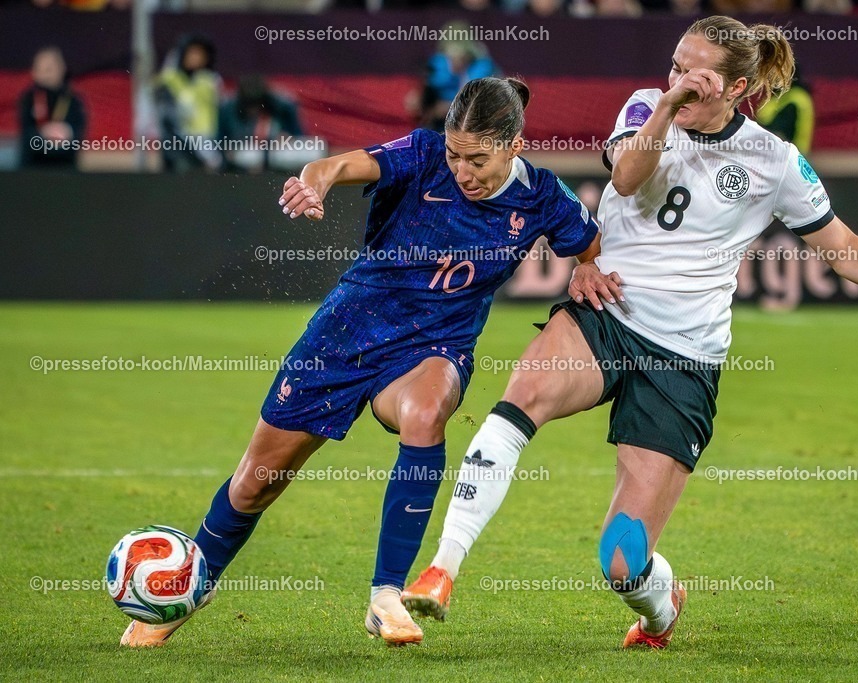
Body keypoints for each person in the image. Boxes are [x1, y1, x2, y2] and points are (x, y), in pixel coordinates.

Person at [402, 15, 858, 649]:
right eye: (674, 66)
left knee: (622, 563)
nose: (679, 81)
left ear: (737, 86)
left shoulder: (774, 161)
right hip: (607, 314)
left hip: (684, 359)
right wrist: (667, 104)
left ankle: (660, 610)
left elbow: (839, 242)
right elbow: (627, 178)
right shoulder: (644, 109)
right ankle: (444, 567)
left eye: (698, 75)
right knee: (519, 399)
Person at [119, 76, 600, 648]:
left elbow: (588, 242)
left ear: (514, 146)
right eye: (455, 155)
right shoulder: (423, 156)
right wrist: (313, 181)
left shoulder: (543, 195)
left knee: (426, 413)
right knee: (256, 484)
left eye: (478, 158)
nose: (463, 171)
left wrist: (587, 266)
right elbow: (341, 166)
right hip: (346, 334)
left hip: (436, 343)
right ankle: (191, 588)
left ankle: (385, 595)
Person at [154, 34, 222, 172]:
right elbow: (167, 120)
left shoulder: (211, 80)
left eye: (200, 54)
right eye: (192, 53)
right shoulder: (169, 80)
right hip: (179, 146)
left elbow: (217, 112)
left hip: (208, 144)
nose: (196, 58)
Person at [18, 46, 86, 169]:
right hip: (32, 170)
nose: (45, 75)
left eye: (49, 69)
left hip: (65, 169)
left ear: (62, 68)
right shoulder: (28, 99)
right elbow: (26, 134)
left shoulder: (73, 101)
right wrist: (43, 135)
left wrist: (65, 134)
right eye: (40, 69)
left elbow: (78, 136)